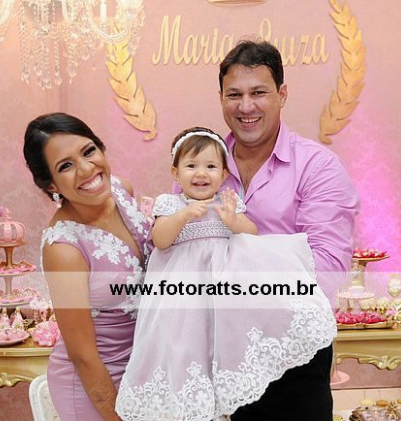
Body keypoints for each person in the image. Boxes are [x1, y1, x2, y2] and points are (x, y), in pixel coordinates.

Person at [117, 127, 337, 421]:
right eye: (191, 165)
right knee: (186, 343)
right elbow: (161, 239)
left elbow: (251, 234)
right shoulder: (170, 204)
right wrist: (184, 215)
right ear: (175, 172)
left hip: (225, 290)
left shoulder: (227, 201)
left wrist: (233, 220)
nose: (201, 173)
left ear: (223, 175)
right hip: (185, 290)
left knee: (225, 340)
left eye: (211, 166)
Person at [217, 40, 360, 420]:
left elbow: (327, 268)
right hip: (213, 352)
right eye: (235, 94)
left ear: (282, 94)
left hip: (292, 356)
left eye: (258, 93)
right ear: (221, 99)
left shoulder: (317, 166)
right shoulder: (200, 165)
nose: (246, 106)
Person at [23, 112, 151, 420]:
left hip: (142, 369)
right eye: (65, 166)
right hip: (94, 383)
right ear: (50, 184)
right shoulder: (64, 249)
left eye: (88, 151)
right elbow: (83, 355)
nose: (86, 169)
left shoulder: (122, 191)